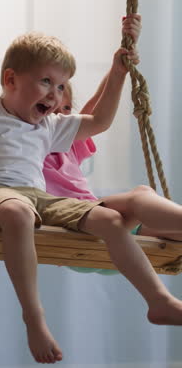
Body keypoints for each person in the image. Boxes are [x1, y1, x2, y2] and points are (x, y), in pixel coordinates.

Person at [0, 18, 182, 365]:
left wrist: (118, 69)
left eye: (62, 86)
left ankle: (159, 301)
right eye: (46, 82)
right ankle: (34, 318)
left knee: (111, 219)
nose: (55, 95)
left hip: (41, 198)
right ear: (10, 80)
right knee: (19, 211)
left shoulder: (48, 126)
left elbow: (98, 121)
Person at [43, 79, 182, 275]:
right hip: (74, 231)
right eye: (53, 109)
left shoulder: (69, 143)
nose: (61, 115)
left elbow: (94, 111)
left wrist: (118, 70)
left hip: (107, 229)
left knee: (173, 233)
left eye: (66, 108)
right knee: (139, 196)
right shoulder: (26, 143)